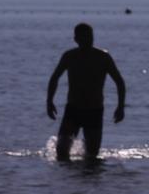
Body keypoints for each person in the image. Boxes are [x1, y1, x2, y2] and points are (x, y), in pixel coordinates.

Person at [46, 22, 126, 162]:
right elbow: (55, 78)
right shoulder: (69, 56)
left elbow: (119, 82)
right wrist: (49, 102)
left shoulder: (103, 57)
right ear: (76, 39)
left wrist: (120, 107)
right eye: (84, 37)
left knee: (92, 157)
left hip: (94, 110)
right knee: (61, 153)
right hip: (73, 109)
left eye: (90, 37)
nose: (88, 40)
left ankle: (91, 182)